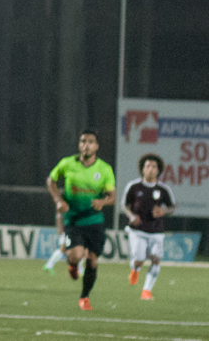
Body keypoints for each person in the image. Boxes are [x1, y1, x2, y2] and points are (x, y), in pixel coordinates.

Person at [47, 128, 116, 311]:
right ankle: (72, 264)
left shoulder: (104, 169)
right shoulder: (67, 163)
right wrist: (58, 200)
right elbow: (51, 180)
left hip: (94, 221)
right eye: (83, 141)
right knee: (76, 255)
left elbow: (112, 197)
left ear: (97, 146)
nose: (86, 145)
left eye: (90, 142)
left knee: (92, 261)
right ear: (79, 144)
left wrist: (103, 201)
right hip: (74, 221)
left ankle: (84, 297)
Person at [121, 153, 175, 300]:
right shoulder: (133, 186)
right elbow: (124, 205)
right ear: (142, 169)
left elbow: (171, 207)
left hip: (156, 230)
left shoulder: (163, 189)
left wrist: (164, 211)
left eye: (154, 166)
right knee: (139, 259)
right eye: (147, 166)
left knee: (156, 259)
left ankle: (146, 290)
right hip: (138, 231)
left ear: (159, 170)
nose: (150, 169)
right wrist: (131, 216)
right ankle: (135, 269)